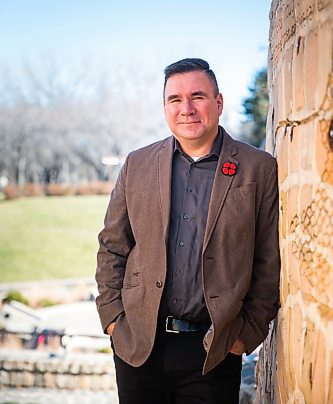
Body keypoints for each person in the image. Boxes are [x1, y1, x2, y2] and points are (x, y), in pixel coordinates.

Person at [95, 58, 280, 404]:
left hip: (214, 351)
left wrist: (248, 333)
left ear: (219, 102)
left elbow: (268, 260)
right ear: (165, 107)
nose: (187, 109)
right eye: (175, 99)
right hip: (138, 346)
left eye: (198, 96)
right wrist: (113, 321)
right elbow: (113, 247)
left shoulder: (258, 169)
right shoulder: (138, 165)